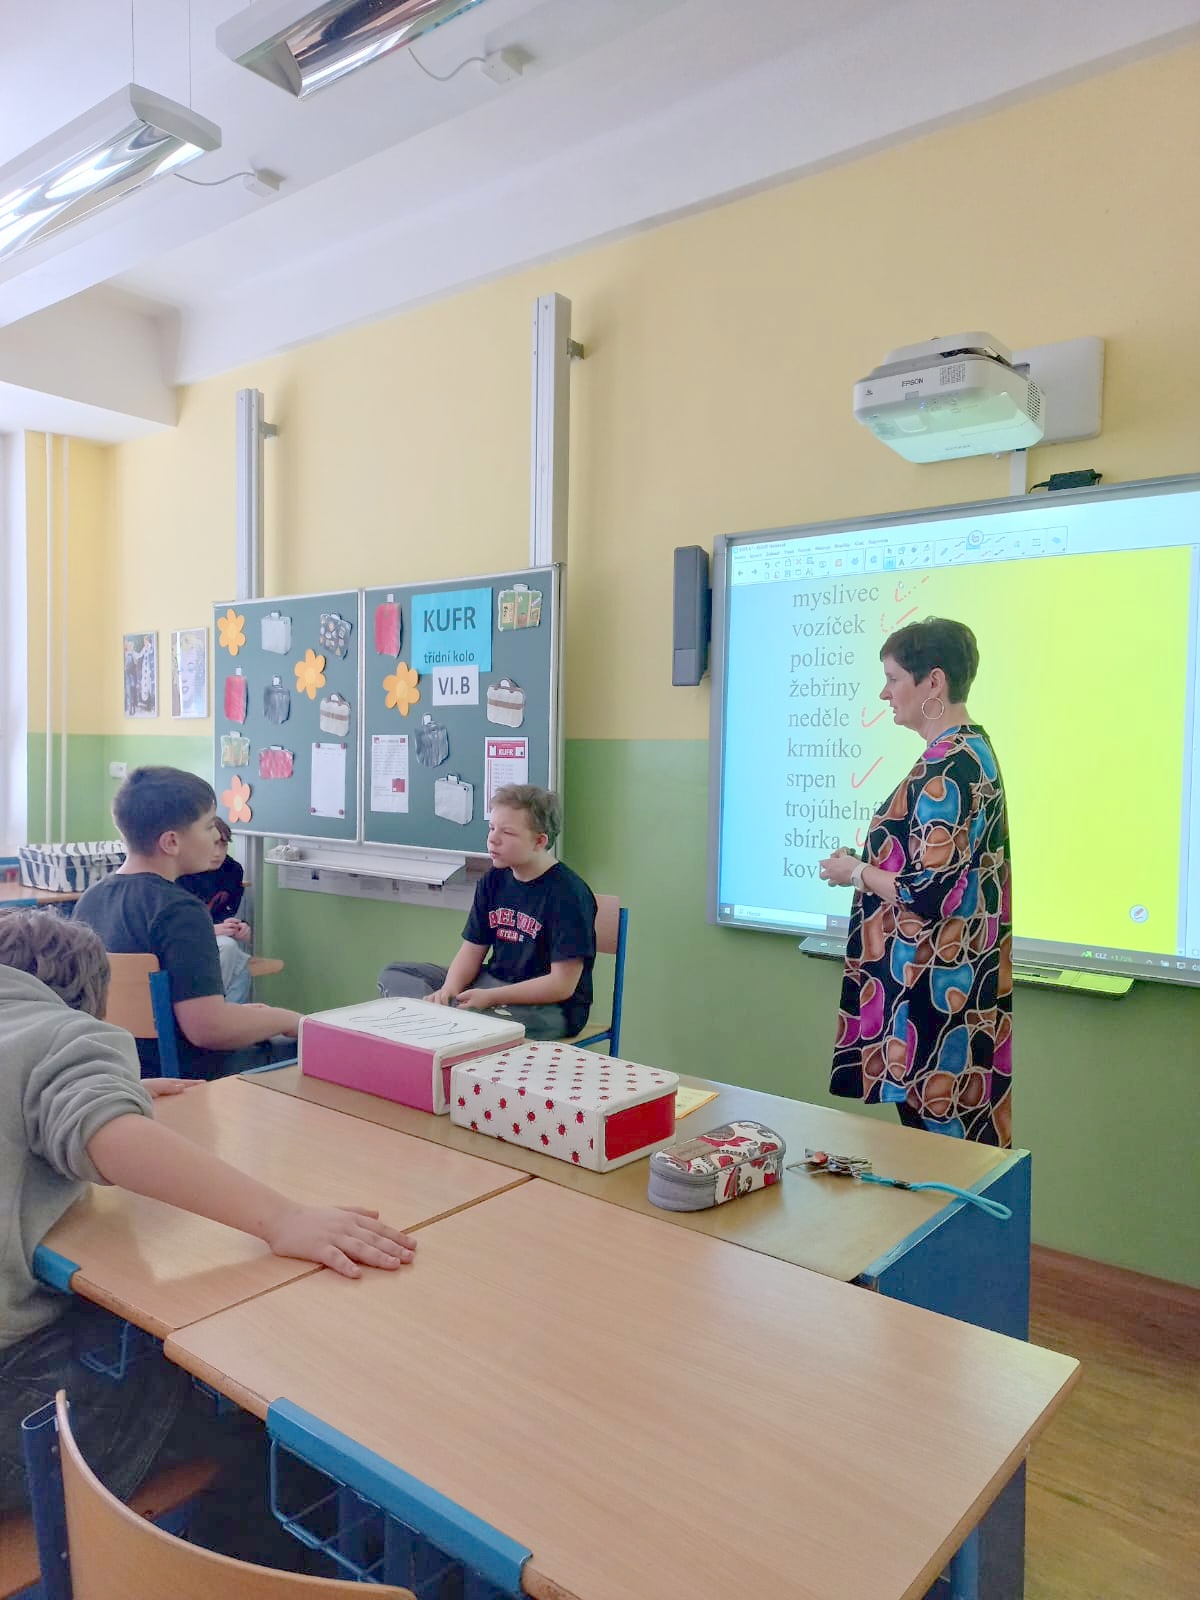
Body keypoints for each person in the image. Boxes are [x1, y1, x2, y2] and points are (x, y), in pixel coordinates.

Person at [0, 910, 416, 1541]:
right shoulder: (58, 1035)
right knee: (266, 1389)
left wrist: (114, 1089)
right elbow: (109, 1138)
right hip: (14, 1420)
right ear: (84, 1003)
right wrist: (284, 1218)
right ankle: (236, 1563)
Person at [820, 618, 1012, 1146]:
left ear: (934, 682)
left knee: (943, 1154)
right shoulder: (969, 752)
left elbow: (928, 891)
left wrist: (857, 873)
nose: (884, 693)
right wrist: (869, 864)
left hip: (935, 999)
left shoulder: (948, 767)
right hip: (951, 989)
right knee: (955, 1151)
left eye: (893, 679)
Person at [75, 767, 299, 1078]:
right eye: (209, 827)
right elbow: (208, 1029)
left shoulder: (90, 899)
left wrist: (241, 1015)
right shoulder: (182, 911)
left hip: (119, 1068)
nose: (216, 837)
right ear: (171, 842)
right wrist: (286, 1019)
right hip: (183, 1075)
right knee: (300, 1046)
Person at [380, 785, 597, 1041]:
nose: (493, 839)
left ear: (539, 841)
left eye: (507, 832)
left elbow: (561, 985)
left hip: (550, 1008)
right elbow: (472, 950)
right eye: (492, 828)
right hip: (491, 984)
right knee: (396, 975)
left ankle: (453, 1023)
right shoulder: (493, 880)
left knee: (478, 1022)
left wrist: (491, 997)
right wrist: (448, 990)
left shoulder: (568, 894)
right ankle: (449, 1018)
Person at [177, 815, 252, 1004]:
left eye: (223, 845)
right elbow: (175, 926)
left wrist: (238, 926)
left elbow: (226, 913)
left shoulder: (232, 870)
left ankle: (223, 1016)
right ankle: (211, 1008)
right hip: (183, 941)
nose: (218, 853)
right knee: (234, 956)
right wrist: (210, 930)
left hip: (211, 938)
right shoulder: (180, 871)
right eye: (212, 844)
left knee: (239, 964)